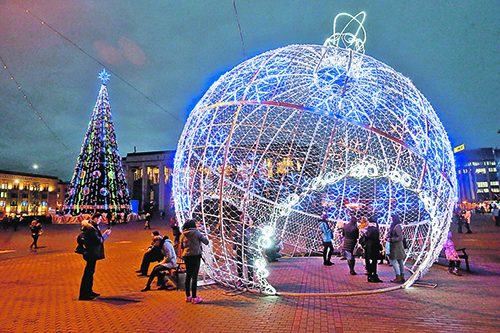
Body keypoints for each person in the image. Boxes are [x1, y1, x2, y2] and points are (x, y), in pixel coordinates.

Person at [78, 213, 111, 300]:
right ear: (95, 218)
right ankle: (84, 294)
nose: (100, 221)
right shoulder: (91, 229)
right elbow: (98, 240)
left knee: (90, 272)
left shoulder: (91, 227)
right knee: (88, 273)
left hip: (91, 252)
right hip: (91, 252)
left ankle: (89, 291)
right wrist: (106, 235)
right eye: (99, 219)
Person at [180, 219, 209, 304]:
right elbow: (206, 242)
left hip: (187, 256)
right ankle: (194, 297)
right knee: (194, 277)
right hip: (196, 256)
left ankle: (188, 296)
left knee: (188, 276)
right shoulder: (197, 233)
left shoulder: (183, 234)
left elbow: (181, 246)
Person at [360, 216, 383, 283]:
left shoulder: (367, 228)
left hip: (367, 246)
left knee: (369, 261)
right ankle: (373, 275)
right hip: (373, 246)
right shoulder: (374, 228)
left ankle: (370, 275)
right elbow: (374, 238)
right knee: (374, 261)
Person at [386, 214, 406, 283]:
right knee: (399, 261)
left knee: (394, 261)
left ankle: (398, 276)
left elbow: (400, 237)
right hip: (394, 246)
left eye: (391, 218)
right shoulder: (393, 226)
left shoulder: (397, 226)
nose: (390, 219)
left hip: (396, 246)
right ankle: (401, 276)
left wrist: (391, 239)